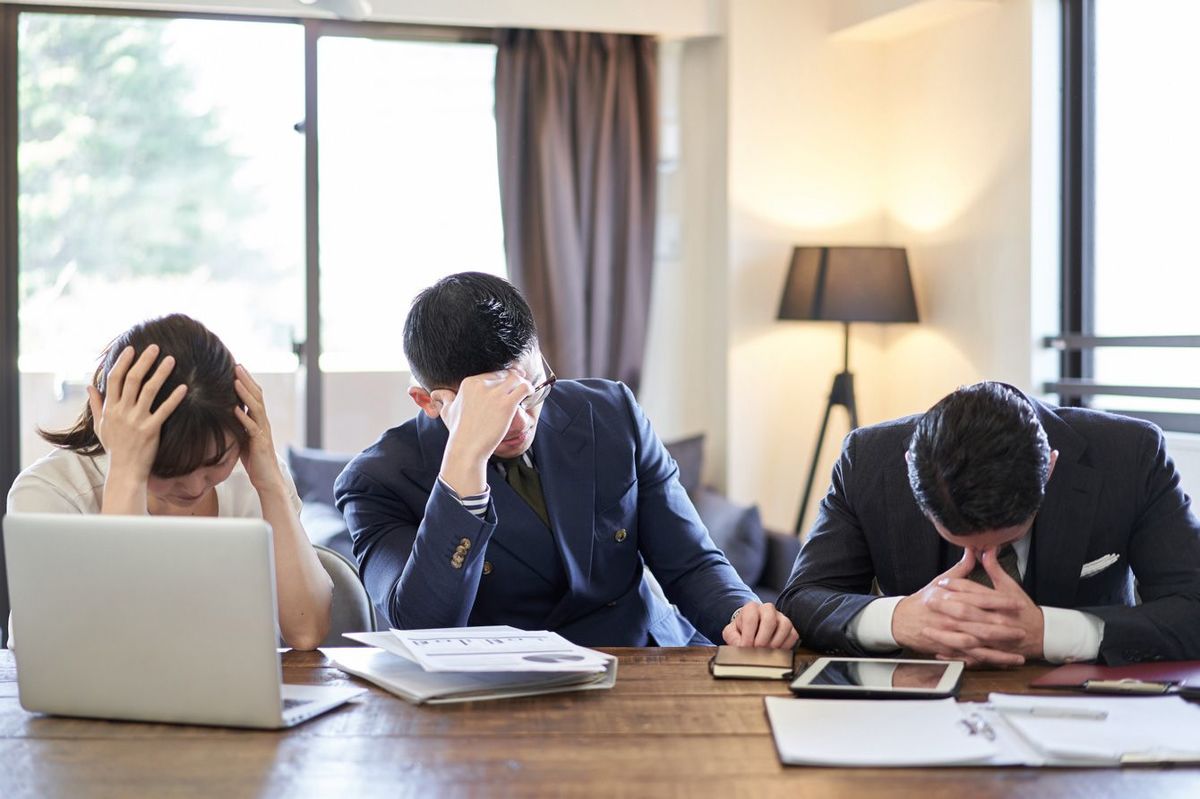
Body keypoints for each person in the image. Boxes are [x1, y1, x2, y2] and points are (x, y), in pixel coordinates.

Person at [335, 272, 796, 648]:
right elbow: (423, 629)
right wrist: (464, 464)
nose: (520, 421)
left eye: (531, 390)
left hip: (649, 656)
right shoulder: (377, 479)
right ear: (428, 401)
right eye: (495, 405)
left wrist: (742, 614)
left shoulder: (610, 411)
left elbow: (690, 561)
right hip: (501, 700)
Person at [778, 380, 1200, 666]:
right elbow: (803, 598)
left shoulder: (1131, 456)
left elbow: (1192, 608)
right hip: (915, 716)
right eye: (958, 538)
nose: (981, 558)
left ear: (1050, 468)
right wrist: (898, 619)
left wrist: (1051, 632)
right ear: (911, 469)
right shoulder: (868, 459)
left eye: (1006, 539)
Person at [7, 314, 332, 651]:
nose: (194, 487)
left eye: (216, 462)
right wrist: (127, 475)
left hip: (230, 698)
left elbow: (306, 631)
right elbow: (100, 644)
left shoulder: (254, 479)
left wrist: (271, 487)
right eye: (168, 471)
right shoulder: (50, 493)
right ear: (113, 426)